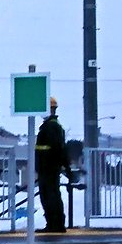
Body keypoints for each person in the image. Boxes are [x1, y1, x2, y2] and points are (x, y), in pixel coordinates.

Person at [35, 96, 74, 233]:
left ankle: (55, 225)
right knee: (49, 196)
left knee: (50, 196)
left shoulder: (51, 127)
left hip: (49, 168)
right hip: (47, 168)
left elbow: (58, 149)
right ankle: (53, 224)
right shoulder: (50, 126)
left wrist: (66, 168)